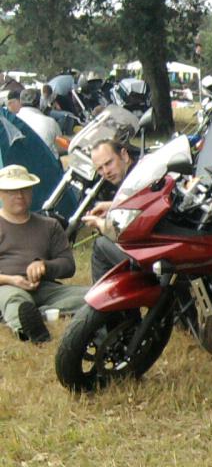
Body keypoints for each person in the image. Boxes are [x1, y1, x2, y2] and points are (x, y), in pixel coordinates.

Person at [0, 164, 86, 343]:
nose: (19, 195)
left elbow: (68, 265)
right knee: (15, 300)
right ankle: (31, 329)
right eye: (12, 191)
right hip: (7, 286)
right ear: (1, 194)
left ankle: (39, 314)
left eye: (24, 189)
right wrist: (11, 279)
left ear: (32, 192)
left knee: (92, 296)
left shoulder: (49, 225)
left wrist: (44, 266)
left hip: (44, 287)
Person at [83, 139, 137, 281]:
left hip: (153, 257)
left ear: (124, 155)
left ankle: (103, 302)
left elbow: (124, 230)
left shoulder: (136, 179)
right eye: (100, 168)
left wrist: (99, 223)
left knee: (101, 246)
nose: (106, 172)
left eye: (109, 163)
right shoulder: (138, 172)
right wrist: (112, 206)